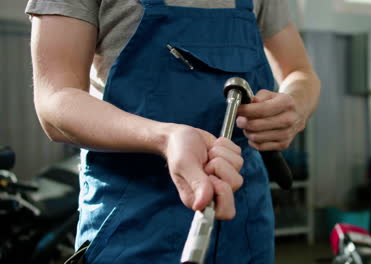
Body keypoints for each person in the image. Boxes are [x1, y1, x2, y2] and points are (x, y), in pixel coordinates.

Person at [26, 0, 320, 263]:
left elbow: (300, 71)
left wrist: (295, 105)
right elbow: (55, 100)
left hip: (244, 220)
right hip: (133, 225)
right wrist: (165, 138)